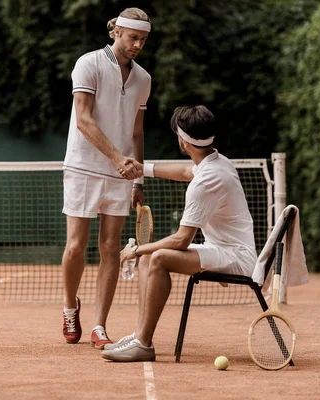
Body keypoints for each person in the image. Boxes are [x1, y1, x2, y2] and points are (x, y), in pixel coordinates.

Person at [100, 105, 258, 362]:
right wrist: (143, 168)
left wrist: (136, 249)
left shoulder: (205, 183)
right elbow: (187, 171)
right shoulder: (217, 161)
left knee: (158, 257)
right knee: (149, 258)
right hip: (224, 248)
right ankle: (140, 334)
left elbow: (181, 240)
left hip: (236, 258)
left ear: (184, 141)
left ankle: (143, 343)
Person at [61, 7, 152, 349]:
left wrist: (138, 179)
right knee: (76, 246)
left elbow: (137, 132)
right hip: (84, 168)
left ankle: (100, 325)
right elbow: (83, 120)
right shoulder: (89, 63)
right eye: (133, 37)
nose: (138, 45)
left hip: (122, 174)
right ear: (116, 32)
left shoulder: (144, 79)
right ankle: (70, 306)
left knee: (111, 246)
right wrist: (117, 159)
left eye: (143, 39)